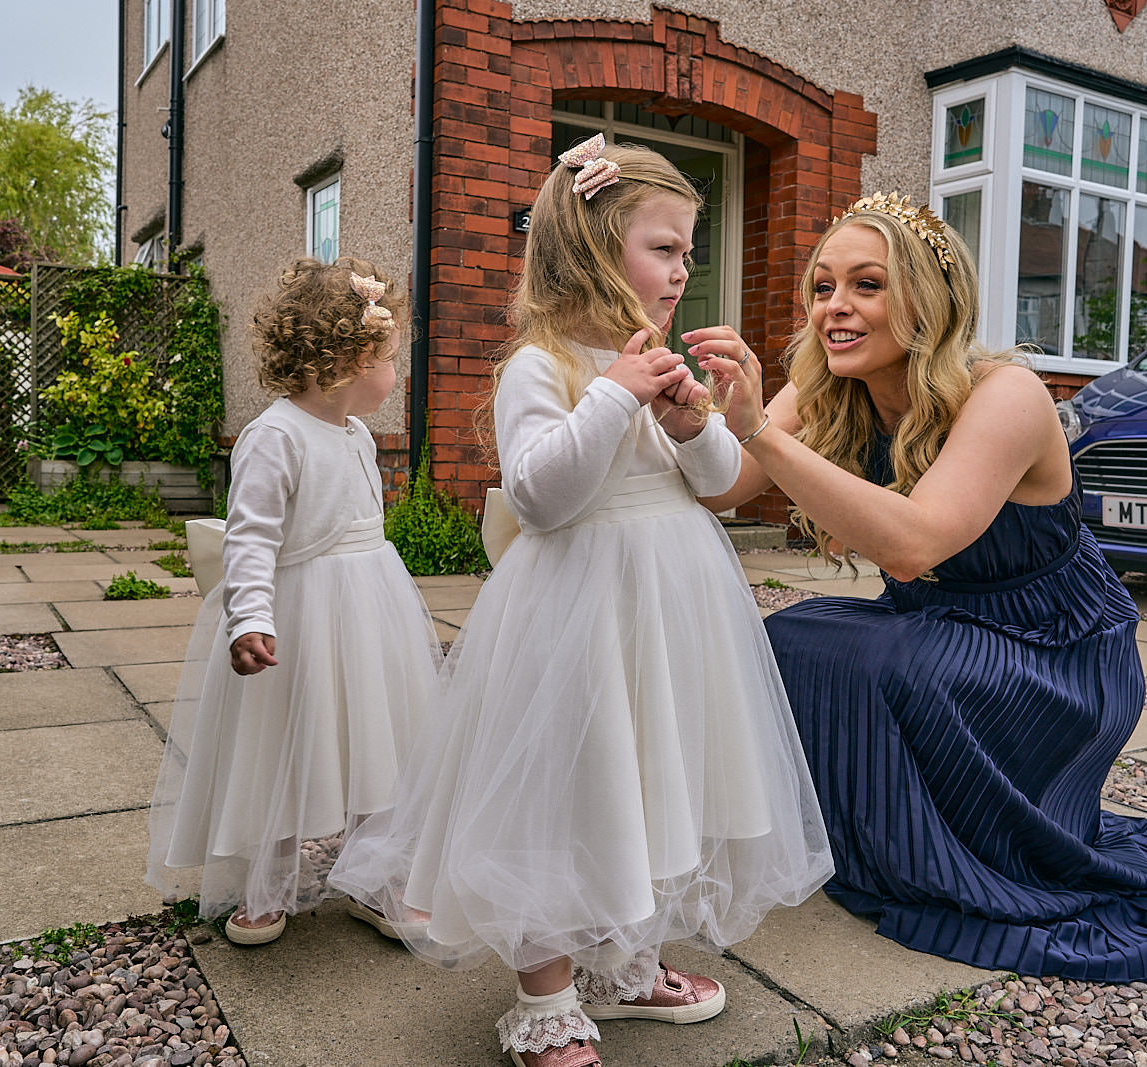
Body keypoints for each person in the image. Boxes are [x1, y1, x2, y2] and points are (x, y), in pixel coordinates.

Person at [331, 135, 832, 1067]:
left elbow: (720, 479)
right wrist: (611, 396)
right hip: (576, 617)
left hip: (669, 610)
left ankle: (626, 962)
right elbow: (538, 496)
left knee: (648, 782)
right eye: (667, 248)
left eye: (690, 250)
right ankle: (548, 999)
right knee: (561, 796)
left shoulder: (656, 357)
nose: (687, 269)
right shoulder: (543, 364)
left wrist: (693, 425)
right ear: (601, 249)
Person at [689, 193, 1147, 983]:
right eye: (822, 287)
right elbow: (724, 487)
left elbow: (912, 542)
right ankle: (862, 833)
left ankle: (942, 847)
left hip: (1055, 652)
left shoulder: (1008, 393)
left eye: (867, 284)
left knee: (889, 664)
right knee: (787, 640)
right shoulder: (828, 381)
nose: (836, 308)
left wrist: (757, 426)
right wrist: (681, 413)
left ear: (928, 299)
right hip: (939, 621)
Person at [146, 257, 442, 947]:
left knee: (380, 743)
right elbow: (249, 540)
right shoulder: (274, 436)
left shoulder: (358, 435)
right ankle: (267, 879)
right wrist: (250, 616)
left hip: (371, 612)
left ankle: (380, 877)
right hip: (300, 617)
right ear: (345, 359)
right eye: (389, 359)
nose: (395, 376)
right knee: (277, 746)